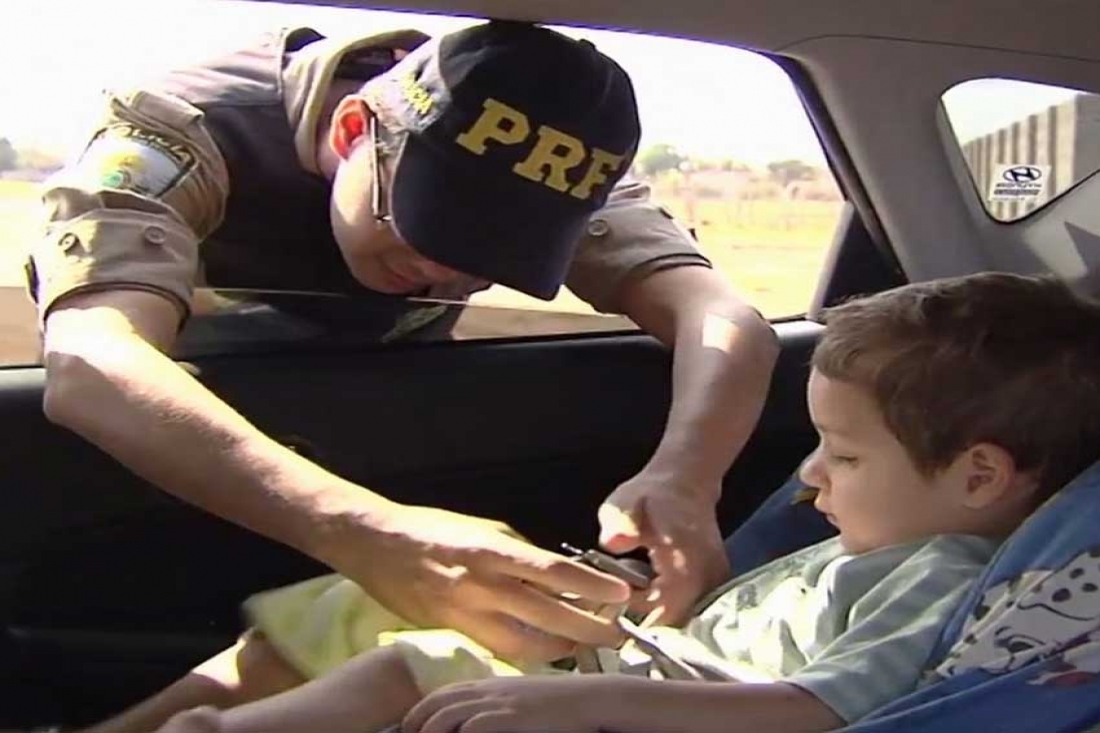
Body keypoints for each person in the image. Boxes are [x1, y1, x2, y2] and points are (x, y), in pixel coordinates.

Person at [31, 17, 779, 731]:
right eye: (431, 224)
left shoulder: (548, 166)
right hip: (176, 453)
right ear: (353, 131)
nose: (446, 274)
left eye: (496, 254)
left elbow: (720, 316)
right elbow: (91, 358)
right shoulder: (184, 131)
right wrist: (365, 531)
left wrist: (687, 476)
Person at [149, 271, 1100, 733]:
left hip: (641, 714)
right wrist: (636, 607)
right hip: (630, 681)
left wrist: (583, 694)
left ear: (979, 476)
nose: (809, 475)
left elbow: (808, 709)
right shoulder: (866, 538)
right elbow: (725, 638)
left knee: (422, 671)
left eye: (843, 455)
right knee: (407, 644)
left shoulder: (937, 573)